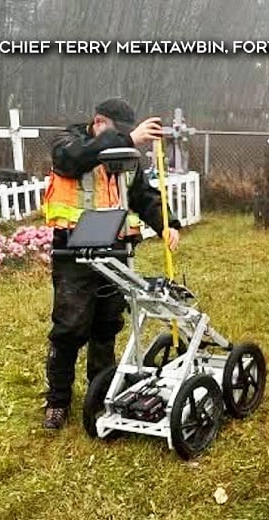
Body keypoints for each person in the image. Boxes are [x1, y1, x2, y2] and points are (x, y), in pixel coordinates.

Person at [42, 97, 181, 430]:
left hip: (116, 249)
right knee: (70, 327)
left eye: (126, 135)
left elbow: (142, 195)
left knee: (106, 324)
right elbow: (75, 160)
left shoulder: (127, 157)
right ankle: (57, 401)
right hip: (74, 253)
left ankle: (100, 387)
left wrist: (167, 223)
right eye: (118, 134)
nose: (123, 141)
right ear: (99, 121)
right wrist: (130, 140)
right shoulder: (67, 143)